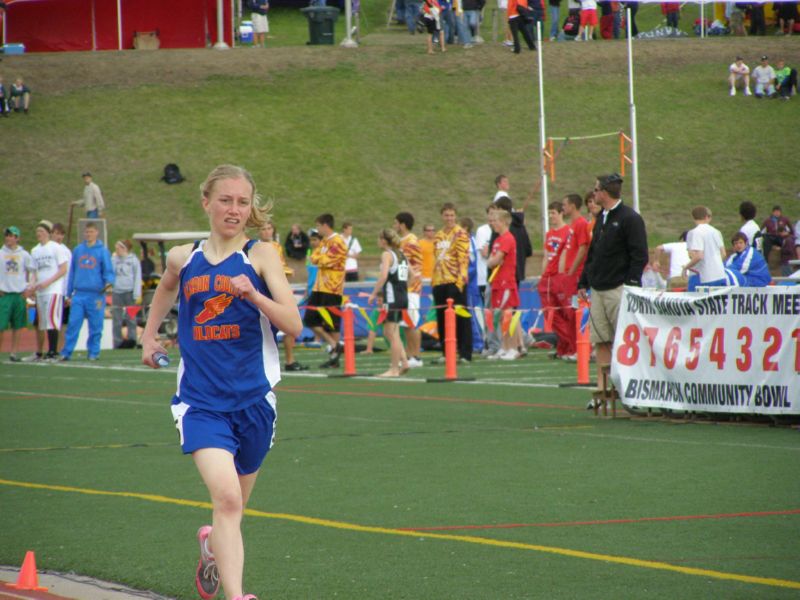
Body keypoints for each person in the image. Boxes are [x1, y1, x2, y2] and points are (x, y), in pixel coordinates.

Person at [141, 165, 301, 600]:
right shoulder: (183, 257)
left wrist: (253, 294)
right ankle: (237, 597)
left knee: (234, 509)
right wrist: (149, 333)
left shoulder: (261, 255)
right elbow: (166, 288)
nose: (234, 209)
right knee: (228, 500)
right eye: (226, 200)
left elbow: (294, 324)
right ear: (206, 202)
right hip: (201, 403)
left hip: (253, 403)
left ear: (251, 208)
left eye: (243, 202)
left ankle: (211, 545)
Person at [578, 174, 648, 388]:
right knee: (601, 340)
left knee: (624, 338)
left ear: (605, 193)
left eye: (596, 189)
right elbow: (594, 253)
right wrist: (583, 282)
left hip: (618, 289)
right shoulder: (602, 218)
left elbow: (640, 254)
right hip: (598, 289)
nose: (593, 193)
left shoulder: (630, 218)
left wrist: (630, 284)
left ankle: (629, 386)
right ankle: (604, 389)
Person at [60, 221, 115, 361]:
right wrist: (69, 292)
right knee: (73, 324)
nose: (89, 234)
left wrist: (109, 282)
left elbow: (108, 271)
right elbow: (72, 272)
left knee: (96, 326)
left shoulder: (103, 251)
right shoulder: (78, 250)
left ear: (96, 232)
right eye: (87, 232)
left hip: (96, 295)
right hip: (79, 294)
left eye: (91, 232)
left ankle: (93, 352)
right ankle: (67, 352)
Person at [259, 220, 307, 372]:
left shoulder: (277, 246)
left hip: (278, 291)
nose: (267, 231)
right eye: (263, 229)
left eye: (269, 228)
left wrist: (286, 271)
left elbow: (279, 267)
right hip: (263, 292)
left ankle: (289, 360)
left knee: (288, 325)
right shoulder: (256, 247)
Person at [304, 213, 347, 368]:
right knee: (309, 318)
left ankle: (335, 357)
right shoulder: (324, 242)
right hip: (319, 286)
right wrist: (320, 259)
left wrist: (320, 259)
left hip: (333, 288)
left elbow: (328, 260)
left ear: (325, 225)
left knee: (332, 323)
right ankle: (335, 345)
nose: (317, 229)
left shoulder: (338, 241)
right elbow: (314, 258)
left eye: (318, 226)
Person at [432, 202, 472, 363]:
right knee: (442, 319)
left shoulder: (461, 234)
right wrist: (434, 282)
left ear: (455, 216)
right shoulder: (438, 236)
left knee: (461, 318)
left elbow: (463, 259)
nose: (449, 218)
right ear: (442, 216)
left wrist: (459, 282)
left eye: (452, 215)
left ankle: (464, 353)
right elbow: (436, 259)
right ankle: (446, 352)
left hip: (455, 281)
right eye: (446, 215)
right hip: (439, 281)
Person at [367, 229, 410, 377]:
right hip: (403, 296)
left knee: (390, 333)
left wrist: (374, 293)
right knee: (393, 332)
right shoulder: (401, 254)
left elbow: (384, 276)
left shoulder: (387, 254)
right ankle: (404, 362)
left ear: (384, 240)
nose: (378, 241)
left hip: (392, 298)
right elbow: (412, 275)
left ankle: (394, 369)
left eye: (379, 238)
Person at [25, 220, 69, 361]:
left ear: (48, 233)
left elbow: (63, 269)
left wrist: (48, 282)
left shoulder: (56, 248)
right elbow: (34, 272)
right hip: (41, 291)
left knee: (52, 319)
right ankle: (41, 352)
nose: (39, 234)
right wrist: (32, 285)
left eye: (42, 232)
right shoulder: (35, 250)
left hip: (53, 289)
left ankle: (53, 351)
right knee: (42, 321)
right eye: (37, 232)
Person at [538, 201, 574, 361]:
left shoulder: (568, 232)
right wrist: (543, 275)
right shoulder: (549, 234)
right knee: (551, 314)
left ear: (561, 213)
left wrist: (562, 277)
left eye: (553, 213)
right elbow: (546, 256)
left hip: (560, 279)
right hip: (548, 279)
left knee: (566, 313)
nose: (551, 216)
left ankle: (570, 347)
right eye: (549, 213)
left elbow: (567, 256)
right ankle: (564, 346)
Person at [486, 208, 519, 360]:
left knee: (508, 315)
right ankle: (504, 347)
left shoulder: (507, 238)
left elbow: (495, 259)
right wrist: (491, 261)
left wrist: (492, 261)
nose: (494, 224)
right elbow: (492, 260)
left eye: (497, 221)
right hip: (497, 281)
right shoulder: (498, 240)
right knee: (500, 316)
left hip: (506, 281)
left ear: (504, 222)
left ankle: (512, 348)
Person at [393, 212, 424, 367]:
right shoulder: (402, 241)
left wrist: (408, 283)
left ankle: (416, 356)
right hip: (405, 287)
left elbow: (414, 267)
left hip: (411, 287)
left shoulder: (410, 242)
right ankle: (410, 355)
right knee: (406, 323)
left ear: (402, 224)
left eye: (396, 223)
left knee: (412, 322)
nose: (394, 226)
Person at [0, 226, 35, 362]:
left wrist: (29, 288)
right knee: (1, 325)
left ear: (17, 238)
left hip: (19, 294)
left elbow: (33, 271)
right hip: (5, 294)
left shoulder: (24, 254)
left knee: (18, 325)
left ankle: (14, 352)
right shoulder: (1, 253)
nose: (9, 238)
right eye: (7, 235)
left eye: (12, 235)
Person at [682, 206, 727, 291]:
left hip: (704, 277)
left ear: (693, 217)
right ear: (707, 216)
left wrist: (686, 267)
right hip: (720, 275)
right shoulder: (717, 232)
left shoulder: (694, 233)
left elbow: (697, 256)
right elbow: (723, 254)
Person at [111, 239, 142, 349]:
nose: (117, 250)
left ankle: (132, 340)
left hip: (129, 292)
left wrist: (137, 293)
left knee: (131, 318)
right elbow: (111, 272)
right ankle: (117, 342)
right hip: (117, 292)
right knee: (117, 319)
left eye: (119, 247)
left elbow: (137, 276)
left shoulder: (133, 260)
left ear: (125, 248)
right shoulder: (114, 259)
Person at [50, 222, 72, 351]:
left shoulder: (66, 251)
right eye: (56, 233)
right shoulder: (46, 249)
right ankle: (48, 349)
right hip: (48, 291)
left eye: (61, 234)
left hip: (62, 291)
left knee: (63, 323)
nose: (59, 236)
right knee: (49, 322)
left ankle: (60, 349)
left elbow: (69, 273)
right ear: (52, 234)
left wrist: (69, 293)